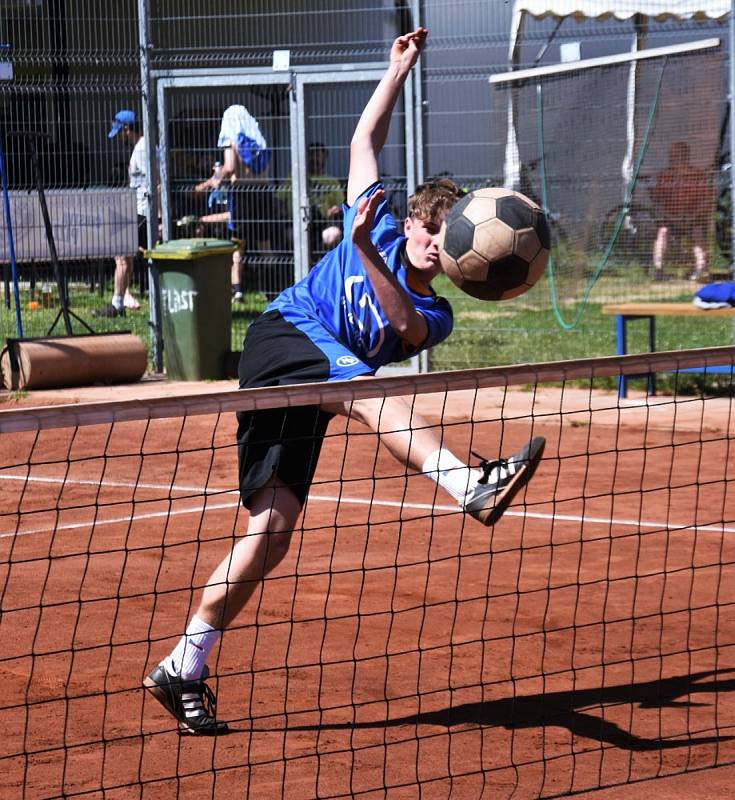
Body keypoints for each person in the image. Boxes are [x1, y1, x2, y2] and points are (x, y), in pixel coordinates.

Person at [143, 28, 545, 735]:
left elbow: (402, 326)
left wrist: (363, 250)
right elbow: (365, 141)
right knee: (363, 389)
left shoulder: (433, 310)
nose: (430, 240)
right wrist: (395, 71)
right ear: (418, 220)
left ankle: (183, 665)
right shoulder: (382, 226)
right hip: (282, 337)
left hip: (322, 380)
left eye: (441, 236)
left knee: (271, 533)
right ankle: (466, 485)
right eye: (428, 227)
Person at [195, 104, 274, 302]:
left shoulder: (233, 137)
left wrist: (212, 182)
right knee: (264, 243)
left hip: (242, 193)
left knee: (237, 243)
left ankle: (237, 290)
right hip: (263, 192)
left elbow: (230, 167)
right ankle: (271, 287)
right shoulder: (258, 139)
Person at [93, 110, 146, 317]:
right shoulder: (141, 148)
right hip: (138, 207)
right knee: (126, 256)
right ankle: (121, 300)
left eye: (120, 133)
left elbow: (157, 182)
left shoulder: (142, 150)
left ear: (126, 129)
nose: (120, 138)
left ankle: (117, 303)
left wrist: (158, 216)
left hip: (142, 209)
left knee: (121, 254)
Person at [650, 140, 714, 282]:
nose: (673, 158)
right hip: (670, 219)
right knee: (663, 232)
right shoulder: (664, 176)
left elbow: (708, 199)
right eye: (672, 155)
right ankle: (658, 269)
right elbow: (656, 202)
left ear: (685, 156)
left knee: (697, 232)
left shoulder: (697, 175)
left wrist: (694, 215)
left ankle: (701, 269)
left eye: (677, 155)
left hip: (693, 218)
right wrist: (670, 216)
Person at [277, 142, 345, 262]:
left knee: (333, 233)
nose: (315, 159)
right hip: (297, 223)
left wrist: (334, 211)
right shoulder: (294, 178)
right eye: (312, 155)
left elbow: (340, 206)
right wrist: (284, 215)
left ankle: (319, 264)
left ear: (325, 158)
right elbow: (279, 201)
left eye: (318, 156)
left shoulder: (331, 181)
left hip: (323, 224)